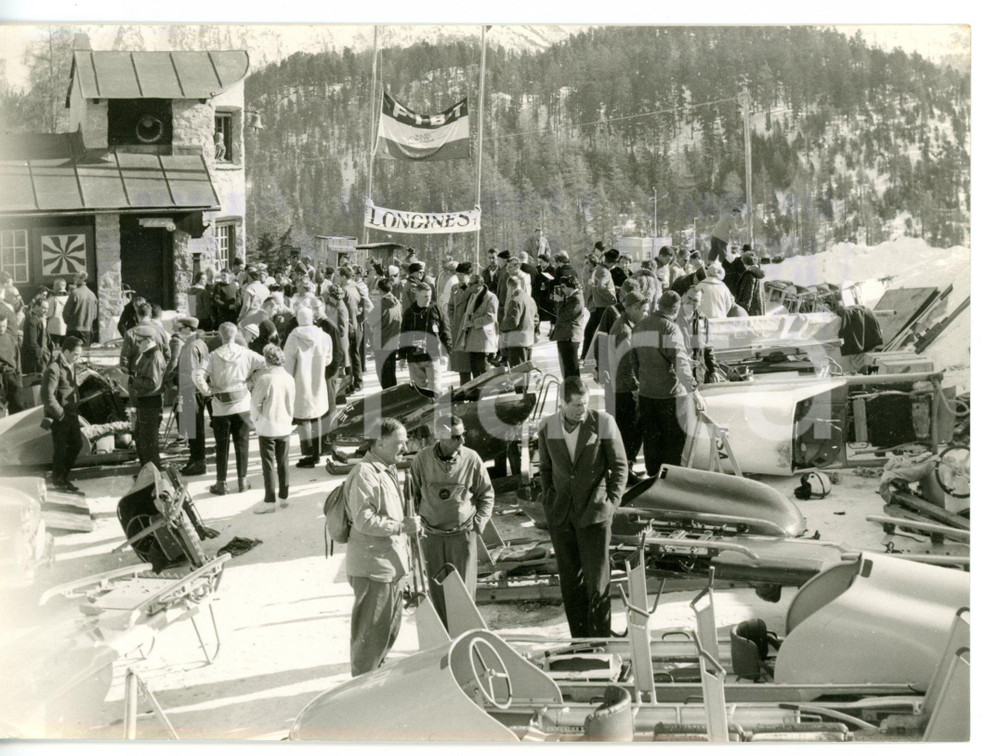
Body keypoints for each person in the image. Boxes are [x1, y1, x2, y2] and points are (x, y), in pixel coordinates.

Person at [537, 376, 628, 638]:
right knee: (570, 583)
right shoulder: (549, 426)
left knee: (597, 582)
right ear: (562, 403)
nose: (582, 410)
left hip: (595, 514)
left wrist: (611, 503)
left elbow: (620, 466)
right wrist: (549, 500)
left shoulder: (603, 423)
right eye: (576, 405)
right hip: (561, 516)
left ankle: (600, 639)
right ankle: (579, 639)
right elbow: (544, 468)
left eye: (585, 404)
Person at [345, 417, 422, 677]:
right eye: (399, 443)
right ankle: (362, 691)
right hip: (374, 569)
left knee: (387, 632)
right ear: (379, 442)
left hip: (389, 566)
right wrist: (401, 526)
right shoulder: (365, 473)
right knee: (370, 640)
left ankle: (373, 681)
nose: (405, 448)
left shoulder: (386, 468)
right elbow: (363, 520)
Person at [410, 415, 494, 628]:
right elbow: (412, 496)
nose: (462, 441)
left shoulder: (471, 458)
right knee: (437, 590)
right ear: (440, 437)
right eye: (456, 437)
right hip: (432, 537)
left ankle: (466, 637)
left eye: (463, 435)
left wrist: (479, 522)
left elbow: (486, 494)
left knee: (464, 592)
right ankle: (445, 638)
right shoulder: (421, 460)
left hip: (462, 535)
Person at [634, 290, 706, 478]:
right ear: (676, 309)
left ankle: (652, 480)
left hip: (647, 394)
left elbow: (635, 360)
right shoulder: (671, 328)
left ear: (659, 304)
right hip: (670, 396)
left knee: (652, 443)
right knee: (673, 446)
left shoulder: (640, 326)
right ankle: (671, 485)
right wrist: (695, 392)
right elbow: (681, 365)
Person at [195, 322, 266, 495]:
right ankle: (242, 481)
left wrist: (208, 391)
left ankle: (221, 483)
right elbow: (265, 364)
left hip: (220, 405)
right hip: (242, 402)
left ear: (220, 335)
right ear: (235, 335)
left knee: (222, 445)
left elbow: (198, 375)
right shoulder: (246, 353)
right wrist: (250, 382)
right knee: (242, 443)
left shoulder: (212, 356)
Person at [604, 289, 651, 485]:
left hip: (620, 388)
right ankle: (625, 471)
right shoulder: (624, 330)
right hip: (623, 390)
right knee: (629, 432)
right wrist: (635, 389)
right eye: (644, 310)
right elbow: (626, 364)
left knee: (628, 432)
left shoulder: (626, 325)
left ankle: (626, 469)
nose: (646, 314)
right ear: (633, 308)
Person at [284, 307, 333, 468]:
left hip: (300, 381)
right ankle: (317, 452)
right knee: (317, 415)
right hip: (318, 379)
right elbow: (328, 359)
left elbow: (288, 363)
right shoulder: (324, 336)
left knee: (303, 418)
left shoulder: (294, 337)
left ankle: (308, 453)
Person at [251, 344, 297, 514]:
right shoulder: (289, 378)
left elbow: (255, 404)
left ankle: (269, 501)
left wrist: (255, 421)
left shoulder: (265, 379)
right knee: (283, 463)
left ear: (266, 359)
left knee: (268, 465)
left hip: (268, 426)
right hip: (285, 424)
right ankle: (284, 497)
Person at [40, 336, 85, 491]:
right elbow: (47, 396)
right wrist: (61, 415)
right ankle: (59, 481)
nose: (78, 358)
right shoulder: (54, 368)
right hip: (60, 416)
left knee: (77, 444)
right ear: (66, 351)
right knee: (61, 449)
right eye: (76, 355)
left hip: (71, 413)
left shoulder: (71, 364)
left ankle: (62, 477)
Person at [172, 316, 209, 476]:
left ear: (188, 329)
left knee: (194, 428)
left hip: (190, 390)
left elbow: (192, 373)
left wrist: (175, 379)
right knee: (195, 427)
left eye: (180, 328)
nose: (178, 331)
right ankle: (195, 459)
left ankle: (198, 462)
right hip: (196, 390)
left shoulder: (191, 346)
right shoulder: (200, 343)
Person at [400, 282, 451, 396]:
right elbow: (404, 335)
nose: (428, 299)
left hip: (432, 356)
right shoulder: (409, 313)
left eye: (429, 295)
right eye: (425, 296)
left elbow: (445, 331)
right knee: (420, 394)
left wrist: (446, 352)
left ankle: (437, 412)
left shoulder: (436, 309)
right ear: (417, 296)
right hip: (414, 358)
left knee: (436, 390)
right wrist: (402, 356)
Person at [454, 274, 498, 379]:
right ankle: (478, 393)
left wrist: (473, 322)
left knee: (484, 370)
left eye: (471, 284)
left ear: (480, 284)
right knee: (476, 372)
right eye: (468, 284)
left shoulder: (490, 297)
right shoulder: (473, 295)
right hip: (472, 340)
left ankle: (486, 392)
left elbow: (491, 317)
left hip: (483, 340)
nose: (469, 286)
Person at [580, 250, 617, 363]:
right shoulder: (605, 272)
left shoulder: (597, 269)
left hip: (597, 306)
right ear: (613, 263)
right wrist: (612, 298)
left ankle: (585, 355)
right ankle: (596, 358)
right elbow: (601, 287)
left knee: (590, 331)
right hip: (604, 307)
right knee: (603, 334)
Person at [499, 273, 537, 369]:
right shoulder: (530, 299)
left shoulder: (515, 301)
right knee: (526, 370)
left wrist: (501, 326)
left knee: (518, 372)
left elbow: (512, 322)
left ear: (510, 286)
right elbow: (536, 318)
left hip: (517, 341)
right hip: (528, 340)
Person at [551, 276, 586, 379]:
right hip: (566, 336)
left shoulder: (576, 298)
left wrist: (560, 302)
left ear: (571, 286)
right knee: (567, 368)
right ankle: (570, 388)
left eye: (563, 287)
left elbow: (563, 315)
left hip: (570, 337)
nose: (562, 290)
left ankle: (573, 389)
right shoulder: (572, 297)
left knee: (571, 368)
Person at [446, 263, 474, 385]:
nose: (459, 277)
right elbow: (450, 306)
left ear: (469, 275)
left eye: (462, 275)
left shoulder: (473, 288)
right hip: (457, 329)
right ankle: (465, 388)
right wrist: (453, 320)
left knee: (473, 364)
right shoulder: (455, 288)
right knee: (462, 367)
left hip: (470, 330)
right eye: (458, 275)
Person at [371, 278, 402, 390]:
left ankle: (387, 396)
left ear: (380, 290)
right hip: (393, 340)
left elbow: (370, 320)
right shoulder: (397, 302)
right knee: (391, 373)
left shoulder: (381, 305)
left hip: (381, 341)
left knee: (382, 373)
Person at [63, 272, 98, 346]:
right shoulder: (92, 295)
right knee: (84, 354)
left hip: (73, 329)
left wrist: (68, 322)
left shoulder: (74, 293)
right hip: (87, 330)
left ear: (82, 279)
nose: (73, 279)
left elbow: (66, 312)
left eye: (75, 277)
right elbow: (94, 315)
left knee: (72, 352)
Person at [0, 311, 23, 416]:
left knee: (17, 406)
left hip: (12, 376)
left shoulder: (11, 339)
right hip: (0, 377)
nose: (1, 329)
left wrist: (19, 379)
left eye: (4, 326)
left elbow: (18, 361)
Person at [20, 298, 50, 376]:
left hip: (42, 357)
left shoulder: (41, 319)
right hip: (34, 360)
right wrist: (41, 357)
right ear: (36, 306)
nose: (46, 311)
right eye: (44, 308)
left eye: (47, 308)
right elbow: (32, 343)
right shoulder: (31, 320)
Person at [734, 251, 766, 316]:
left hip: (750, 313)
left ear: (744, 262)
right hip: (758, 310)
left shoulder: (749, 274)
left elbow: (747, 296)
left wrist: (742, 312)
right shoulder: (758, 273)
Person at [47, 278, 69, 349]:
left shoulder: (52, 299)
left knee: (54, 349)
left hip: (54, 328)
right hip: (66, 327)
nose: (53, 287)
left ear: (57, 286)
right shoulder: (69, 298)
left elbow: (48, 313)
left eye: (54, 285)